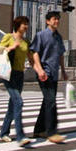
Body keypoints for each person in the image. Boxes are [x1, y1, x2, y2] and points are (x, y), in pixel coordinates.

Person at [29, 11, 68, 143]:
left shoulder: (59, 37)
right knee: (51, 100)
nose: (56, 21)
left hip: (54, 73)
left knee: (48, 101)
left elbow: (61, 54)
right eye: (54, 19)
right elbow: (34, 53)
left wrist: (63, 70)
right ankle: (52, 132)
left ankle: (38, 130)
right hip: (44, 73)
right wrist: (39, 70)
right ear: (47, 21)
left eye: (58, 19)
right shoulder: (40, 35)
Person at [0, 15, 32, 147]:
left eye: (27, 24)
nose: (26, 26)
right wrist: (11, 47)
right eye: (24, 24)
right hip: (8, 74)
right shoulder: (8, 37)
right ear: (18, 25)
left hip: (19, 75)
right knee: (19, 102)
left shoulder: (26, 41)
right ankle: (20, 136)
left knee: (13, 105)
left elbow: (31, 57)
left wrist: (40, 71)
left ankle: (3, 133)